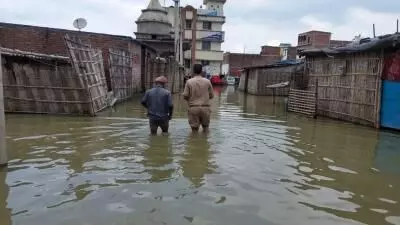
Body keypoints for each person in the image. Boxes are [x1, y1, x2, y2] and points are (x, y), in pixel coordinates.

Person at [183, 64, 214, 132]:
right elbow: (212, 95)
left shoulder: (189, 82)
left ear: (193, 71)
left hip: (193, 108)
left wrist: (190, 100)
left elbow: (185, 96)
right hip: (205, 108)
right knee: (206, 128)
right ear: (201, 71)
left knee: (194, 130)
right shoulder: (207, 81)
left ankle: (194, 141)